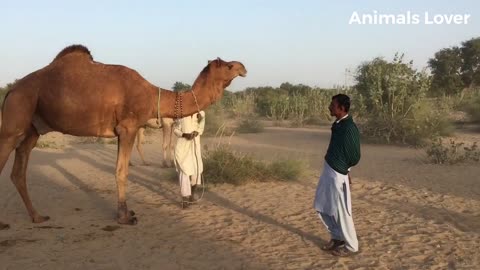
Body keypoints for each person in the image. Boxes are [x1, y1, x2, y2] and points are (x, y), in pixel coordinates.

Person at [313, 94, 361, 257]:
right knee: (322, 205)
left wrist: (346, 170)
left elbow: (354, 155)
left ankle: (352, 246)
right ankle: (337, 237)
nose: (329, 107)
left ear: (341, 108)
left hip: (338, 174)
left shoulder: (349, 127)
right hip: (329, 170)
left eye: (333, 105)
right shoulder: (338, 125)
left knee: (342, 210)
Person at [173, 110, 205, 209]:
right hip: (183, 146)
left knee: (196, 171)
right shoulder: (181, 113)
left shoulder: (201, 113)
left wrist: (197, 132)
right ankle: (185, 199)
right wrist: (184, 135)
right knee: (184, 172)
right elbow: (175, 129)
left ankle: (192, 195)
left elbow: (201, 127)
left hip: (195, 146)